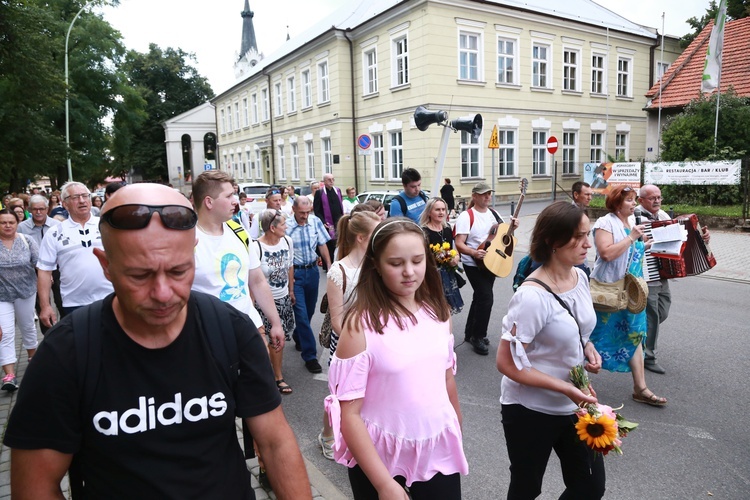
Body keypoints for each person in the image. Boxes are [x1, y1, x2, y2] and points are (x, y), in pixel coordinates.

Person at [4, 183, 312, 499]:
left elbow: (275, 443)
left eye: (179, 271)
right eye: (140, 275)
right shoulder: (64, 353)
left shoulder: (230, 329)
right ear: (105, 266)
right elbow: (35, 487)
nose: (163, 293)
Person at [325, 217, 468, 499]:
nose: (409, 272)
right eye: (396, 263)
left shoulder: (439, 313)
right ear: (376, 265)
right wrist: (383, 484)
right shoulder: (359, 328)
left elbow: (446, 379)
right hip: (381, 459)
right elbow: (349, 414)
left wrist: (456, 434)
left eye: (417, 261)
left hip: (436, 452)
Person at [497, 201, 605, 500]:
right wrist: (565, 388)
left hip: (576, 403)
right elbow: (506, 364)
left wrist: (588, 347)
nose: (587, 243)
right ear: (552, 240)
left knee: (590, 487)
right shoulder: (531, 297)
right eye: (579, 236)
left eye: (589, 234)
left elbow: (577, 329)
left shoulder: (580, 276)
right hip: (530, 409)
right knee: (527, 487)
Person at [590, 185, 667, 406]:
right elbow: (606, 253)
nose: (634, 204)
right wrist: (632, 238)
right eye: (629, 200)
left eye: (634, 200)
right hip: (611, 290)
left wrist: (644, 245)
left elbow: (630, 251)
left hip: (633, 290)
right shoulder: (606, 222)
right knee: (594, 334)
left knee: (636, 334)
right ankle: (578, 382)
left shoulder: (631, 223)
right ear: (616, 203)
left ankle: (640, 388)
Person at [191, 171, 284, 351]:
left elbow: (257, 281)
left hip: (251, 328)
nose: (235, 200)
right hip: (209, 337)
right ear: (209, 202)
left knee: (261, 379)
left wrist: (275, 322)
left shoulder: (238, 231)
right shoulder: (188, 239)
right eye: (228, 196)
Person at [317, 209, 380, 460]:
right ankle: (327, 435)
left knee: (367, 394)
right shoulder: (338, 271)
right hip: (346, 343)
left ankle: (360, 437)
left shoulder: (376, 265)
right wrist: (358, 347)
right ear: (362, 238)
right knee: (340, 394)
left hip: (374, 339)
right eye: (377, 233)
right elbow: (336, 321)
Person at [635, 185, 709, 374]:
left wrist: (703, 239)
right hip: (646, 274)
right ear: (641, 200)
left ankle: (635, 337)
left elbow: (681, 242)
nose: (657, 201)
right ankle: (648, 357)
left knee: (662, 311)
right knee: (652, 316)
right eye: (652, 198)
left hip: (662, 274)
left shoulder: (664, 218)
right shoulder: (634, 219)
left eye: (659, 197)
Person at [37, 182, 113, 326]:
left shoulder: (107, 225)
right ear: (65, 204)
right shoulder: (55, 233)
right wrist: (45, 306)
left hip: (111, 299)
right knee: (83, 346)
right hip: (74, 304)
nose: (82, 200)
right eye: (76, 197)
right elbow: (44, 272)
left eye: (85, 196)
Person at [455, 182, 518, 355]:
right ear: (474, 196)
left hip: (492, 262)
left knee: (480, 297)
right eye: (483, 194)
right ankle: (478, 336)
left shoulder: (495, 214)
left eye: (489, 194)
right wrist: (474, 253)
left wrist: (513, 227)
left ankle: (470, 332)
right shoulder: (466, 216)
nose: (487, 196)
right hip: (473, 263)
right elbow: (459, 243)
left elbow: (505, 235)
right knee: (486, 298)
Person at [251, 209, 296, 395]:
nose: (287, 227)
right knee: (266, 339)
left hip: (283, 297)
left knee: (280, 338)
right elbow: (252, 278)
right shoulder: (256, 247)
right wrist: (251, 305)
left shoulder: (287, 241)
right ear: (272, 227)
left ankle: (275, 371)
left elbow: (290, 265)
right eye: (283, 224)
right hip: (263, 302)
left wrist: (291, 290)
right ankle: (274, 375)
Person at [285, 196, 331, 373]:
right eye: (301, 213)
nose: (305, 216)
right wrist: (288, 280)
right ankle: (310, 356)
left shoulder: (315, 221)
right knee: (302, 315)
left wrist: (329, 265)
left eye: (307, 212)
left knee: (310, 311)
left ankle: (299, 335)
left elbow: (322, 244)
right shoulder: (287, 226)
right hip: (295, 274)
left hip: (312, 272)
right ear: (294, 210)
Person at [0, 208, 39, 392]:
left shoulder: (27, 241)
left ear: (17, 223)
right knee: (5, 334)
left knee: (28, 326)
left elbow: (39, 263)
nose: (7, 225)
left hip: (26, 291)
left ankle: (33, 359)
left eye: (11, 222)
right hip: (2, 295)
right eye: (3, 222)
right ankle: (9, 375)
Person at [18, 195, 60, 335]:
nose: (38, 212)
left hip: (57, 270)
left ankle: (68, 333)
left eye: (41, 209)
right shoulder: (21, 228)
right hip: (34, 272)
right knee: (42, 305)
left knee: (62, 302)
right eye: (35, 209)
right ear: (29, 210)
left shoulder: (56, 225)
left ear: (47, 209)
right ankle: (49, 336)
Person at [420, 197, 463, 315]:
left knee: (448, 308)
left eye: (443, 209)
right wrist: (437, 258)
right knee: (435, 308)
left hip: (448, 274)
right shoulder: (423, 231)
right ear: (429, 212)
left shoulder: (447, 228)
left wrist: (455, 258)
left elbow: (454, 249)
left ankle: (447, 332)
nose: (441, 212)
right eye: (437, 209)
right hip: (432, 275)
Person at [313, 173, 344, 266]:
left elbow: (340, 205)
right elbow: (317, 210)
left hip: (338, 222)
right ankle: (328, 265)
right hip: (327, 223)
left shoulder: (338, 191)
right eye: (329, 179)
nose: (331, 181)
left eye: (333, 179)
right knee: (329, 244)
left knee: (338, 243)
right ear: (324, 181)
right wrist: (322, 222)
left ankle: (338, 263)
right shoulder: (320, 193)